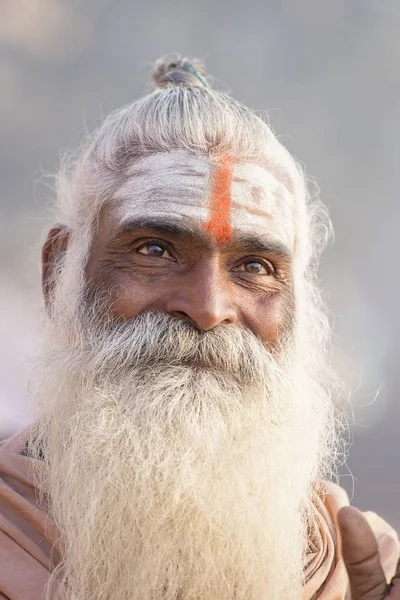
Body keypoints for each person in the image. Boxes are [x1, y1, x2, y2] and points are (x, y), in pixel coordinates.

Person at [0, 55, 398, 600]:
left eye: (255, 267)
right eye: (155, 250)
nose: (210, 309)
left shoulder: (358, 567)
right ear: (58, 274)